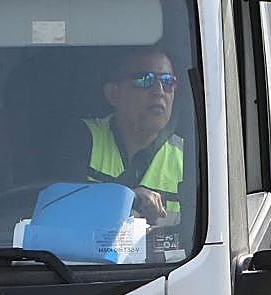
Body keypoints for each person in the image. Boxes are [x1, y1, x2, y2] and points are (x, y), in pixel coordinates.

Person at [50, 47, 183, 225]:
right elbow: (60, 210)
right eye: (145, 79)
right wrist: (127, 198)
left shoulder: (188, 158)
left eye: (168, 82)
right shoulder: (82, 138)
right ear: (113, 94)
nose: (159, 91)